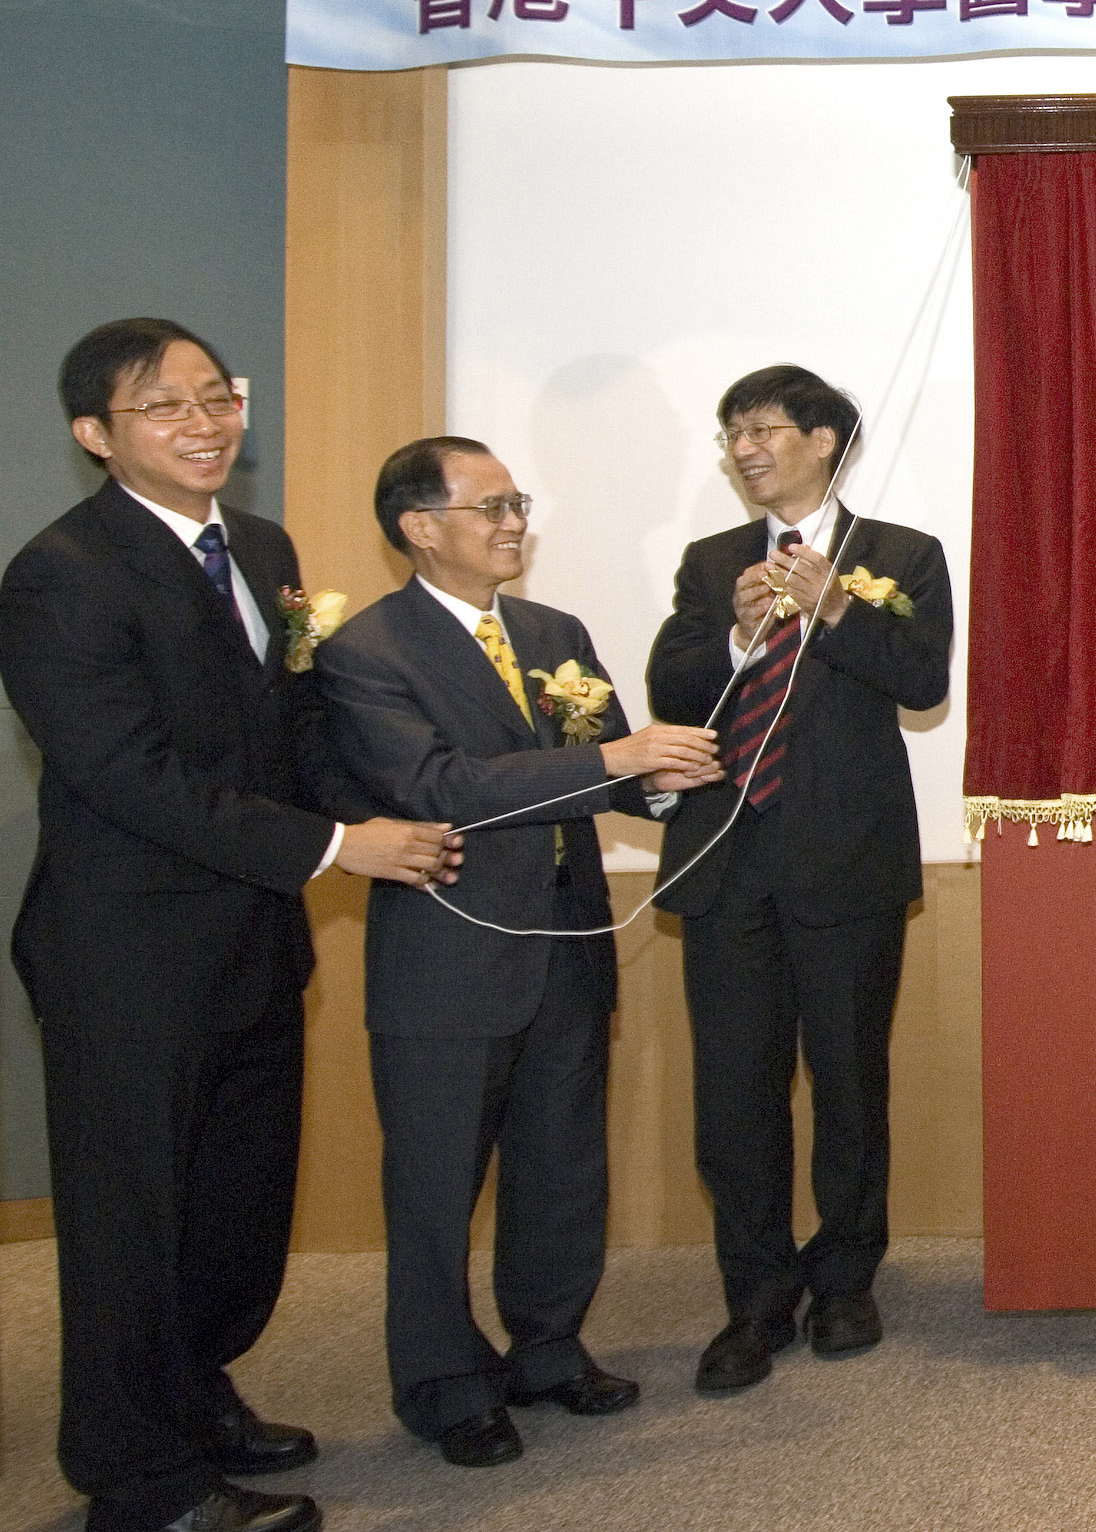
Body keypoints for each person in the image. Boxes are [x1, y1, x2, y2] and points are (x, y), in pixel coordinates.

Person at [0, 319, 457, 1532]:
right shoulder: (62, 574)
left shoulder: (259, 548)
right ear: (95, 435)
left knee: (231, 1211)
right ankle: (136, 1493)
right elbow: (128, 777)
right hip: (126, 957)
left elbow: (291, 723)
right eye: (164, 407)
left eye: (218, 396)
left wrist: (373, 809)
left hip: (254, 937)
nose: (204, 423)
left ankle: (193, 1400)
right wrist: (332, 848)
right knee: (130, 1226)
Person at [315, 436, 718, 1467]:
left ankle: (548, 1348)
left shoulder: (552, 630)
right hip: (446, 960)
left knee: (561, 1165)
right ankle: (446, 1384)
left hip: (567, 942)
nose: (512, 524)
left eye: (517, 504)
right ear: (419, 526)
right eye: (491, 506)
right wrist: (614, 759)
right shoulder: (367, 653)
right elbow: (441, 788)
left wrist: (667, 780)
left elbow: (614, 773)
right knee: (438, 1182)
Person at [647, 366, 952, 1392]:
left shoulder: (901, 554)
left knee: (849, 1083)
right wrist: (738, 634)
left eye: (764, 429)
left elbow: (923, 682)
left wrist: (834, 614)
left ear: (825, 439)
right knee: (734, 1093)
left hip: (846, 865)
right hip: (727, 863)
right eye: (731, 432)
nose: (744, 449)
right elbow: (671, 687)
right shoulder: (710, 562)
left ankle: (847, 1278)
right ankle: (755, 1299)